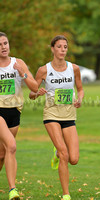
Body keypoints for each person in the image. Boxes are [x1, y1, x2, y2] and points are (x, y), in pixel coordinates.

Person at [29, 35, 84, 200]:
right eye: (59, 47)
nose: (62, 50)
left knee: (73, 159)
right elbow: (32, 93)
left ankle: (57, 153)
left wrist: (79, 99)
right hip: (51, 114)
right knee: (64, 153)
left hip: (68, 115)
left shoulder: (74, 68)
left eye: (65, 47)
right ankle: (66, 194)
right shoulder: (43, 70)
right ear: (52, 49)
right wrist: (37, 93)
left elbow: (80, 89)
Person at [0, 32, 38, 200]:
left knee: (2, 154)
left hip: (15, 112)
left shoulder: (18, 63)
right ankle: (12, 190)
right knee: (12, 146)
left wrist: (23, 73)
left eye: (5, 43)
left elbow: (35, 87)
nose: (3, 47)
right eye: (0, 45)